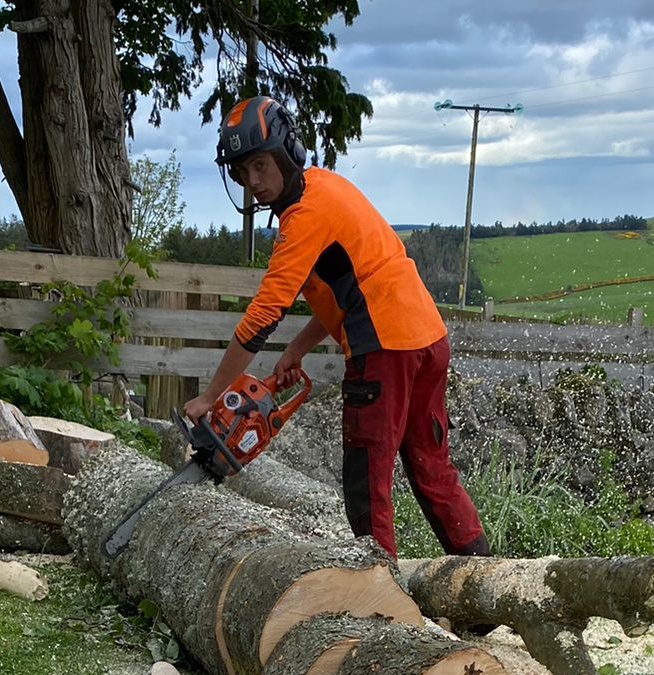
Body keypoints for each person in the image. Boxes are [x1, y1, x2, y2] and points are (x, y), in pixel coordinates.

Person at [182, 95, 490, 561]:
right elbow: (353, 287)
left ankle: (378, 591)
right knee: (432, 466)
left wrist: (211, 397)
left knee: (367, 479)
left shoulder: (303, 219)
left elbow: (263, 315)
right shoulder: (325, 187)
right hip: (425, 336)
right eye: (242, 172)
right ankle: (482, 575)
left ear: (286, 153)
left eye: (261, 166)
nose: (254, 181)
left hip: (384, 345)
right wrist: (298, 351)